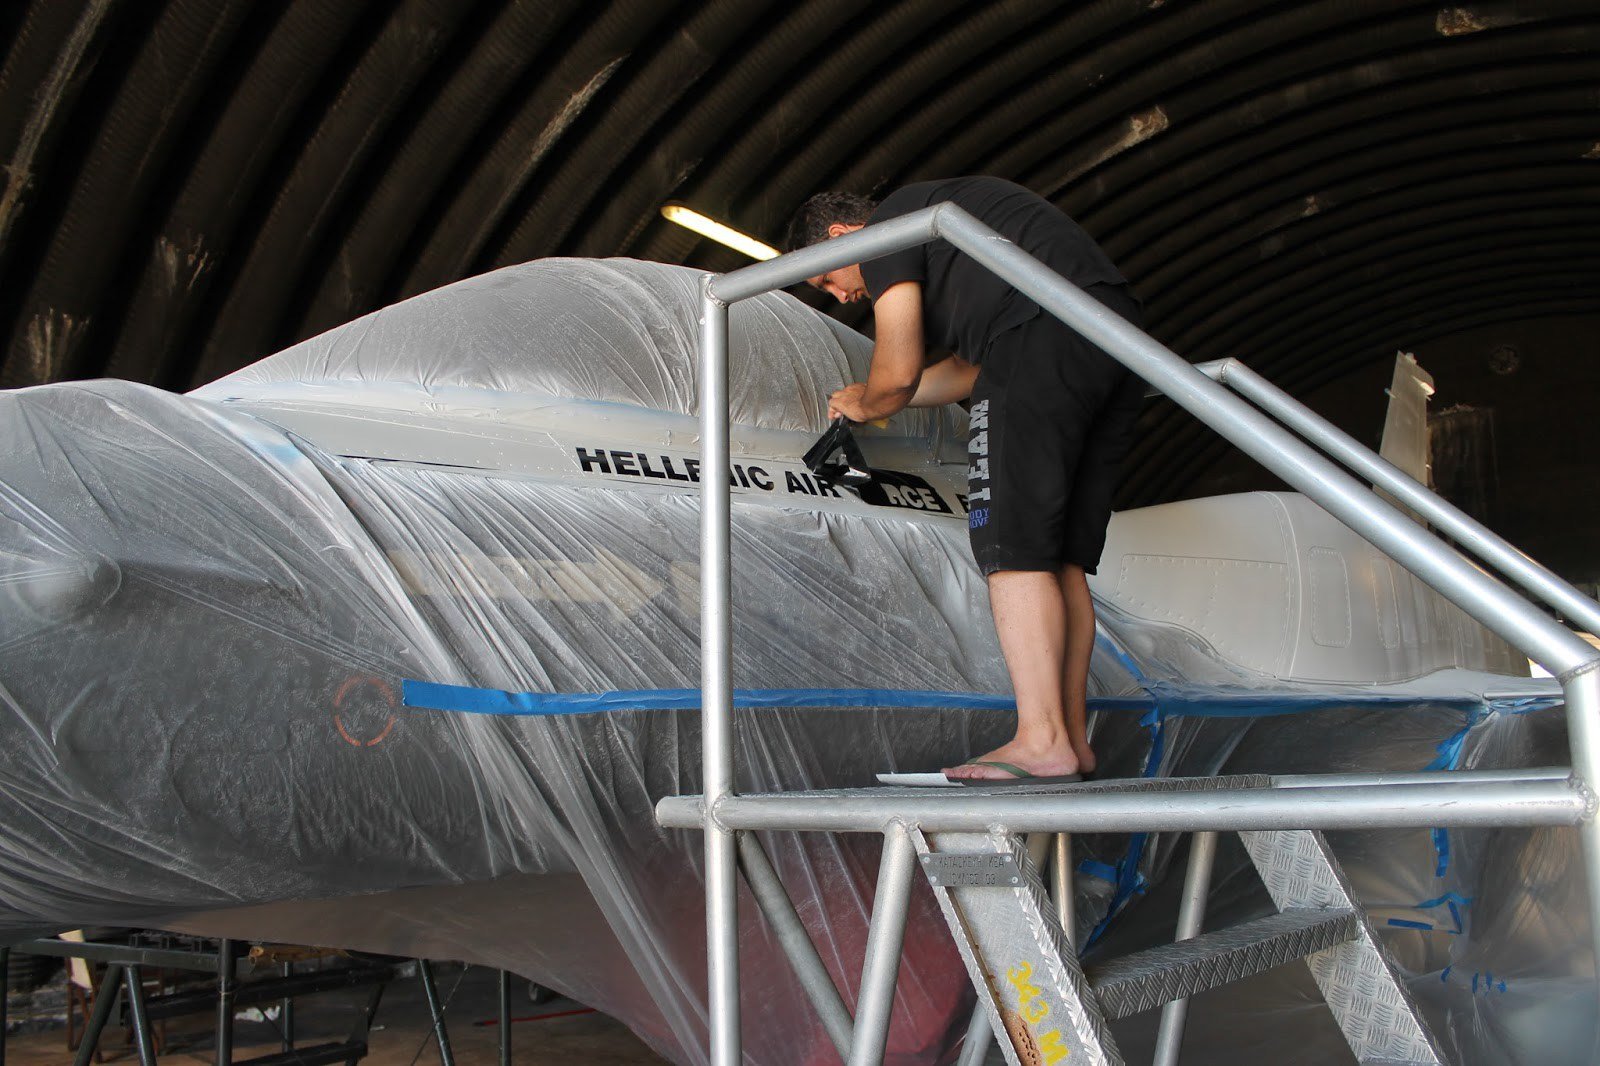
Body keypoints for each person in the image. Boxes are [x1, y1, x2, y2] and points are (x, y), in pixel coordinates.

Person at [785, 176, 1145, 782]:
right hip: (1109, 341)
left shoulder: (893, 228)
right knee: (1060, 560)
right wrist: (871, 401)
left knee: (1011, 547)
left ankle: (1041, 740)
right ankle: (1070, 740)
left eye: (827, 280)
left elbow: (898, 373)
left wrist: (870, 400)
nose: (842, 297)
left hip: (1038, 339)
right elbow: (959, 373)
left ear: (842, 237)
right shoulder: (962, 249)